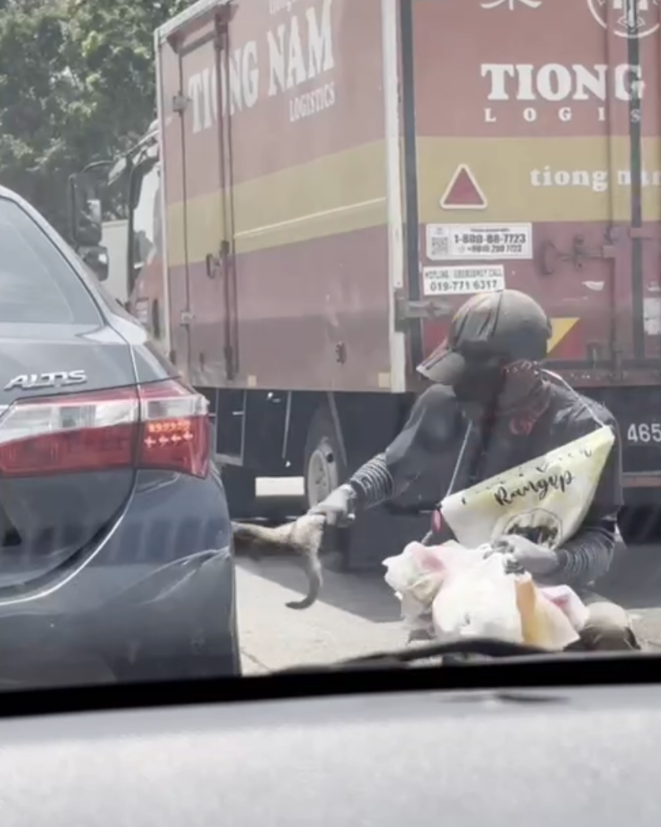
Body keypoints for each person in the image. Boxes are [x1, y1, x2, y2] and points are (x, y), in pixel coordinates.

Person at [309, 289, 638, 651]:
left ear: (522, 370)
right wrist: (347, 494)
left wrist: (549, 561)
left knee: (610, 630)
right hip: (459, 582)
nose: (464, 394)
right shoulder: (444, 403)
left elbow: (601, 539)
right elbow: (394, 467)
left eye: (475, 381)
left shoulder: (586, 430)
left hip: (554, 586)